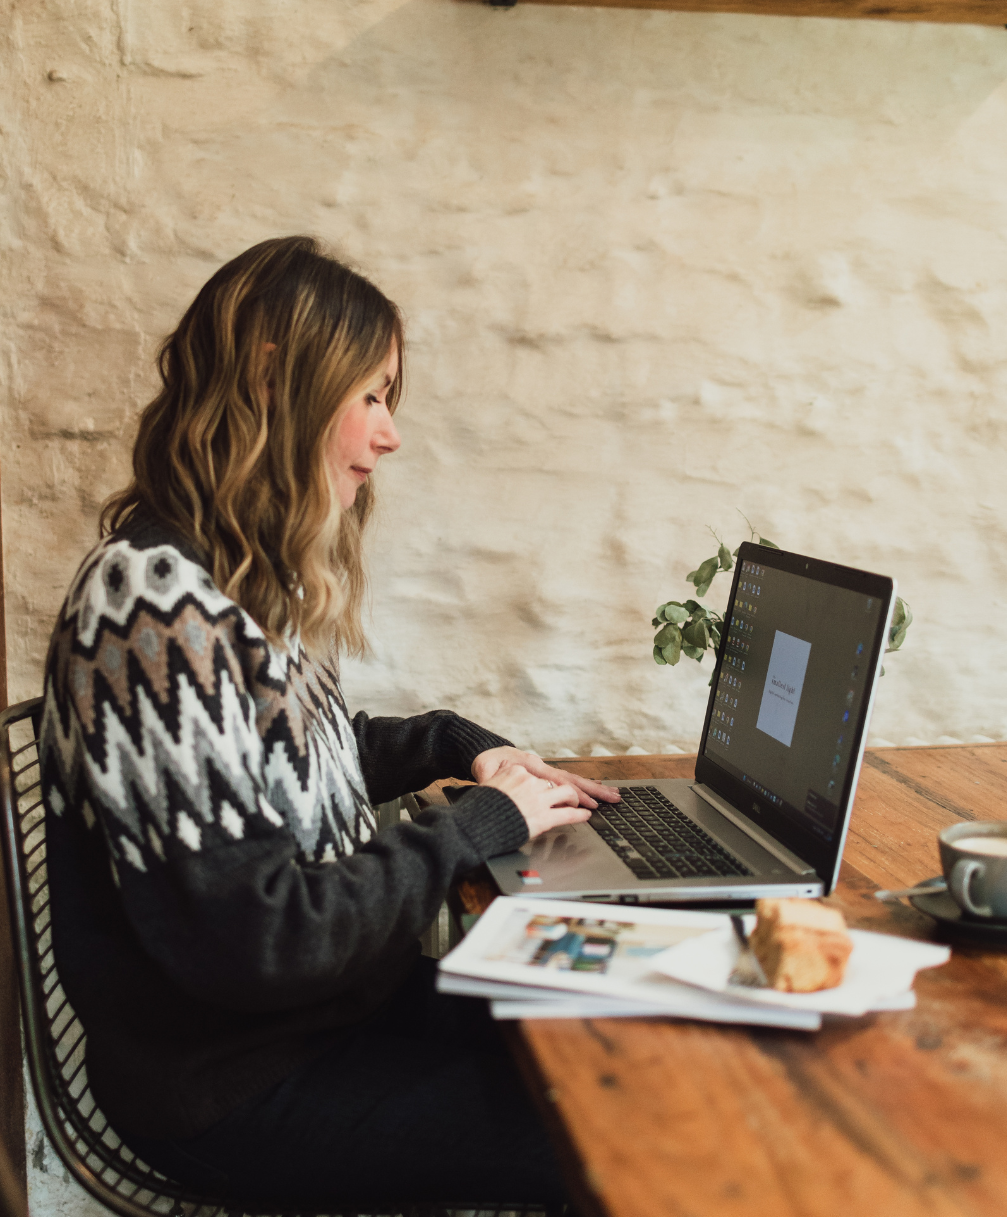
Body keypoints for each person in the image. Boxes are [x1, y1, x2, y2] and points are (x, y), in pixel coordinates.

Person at [38, 236, 620, 1207]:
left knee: (617, 1036)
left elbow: (291, 763)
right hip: (239, 1086)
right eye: (373, 395)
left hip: (322, 1024)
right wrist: (484, 825)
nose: (389, 434)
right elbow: (262, 937)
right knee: (620, 1124)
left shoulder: (224, 585)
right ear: (274, 381)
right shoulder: (153, 610)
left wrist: (458, 746)